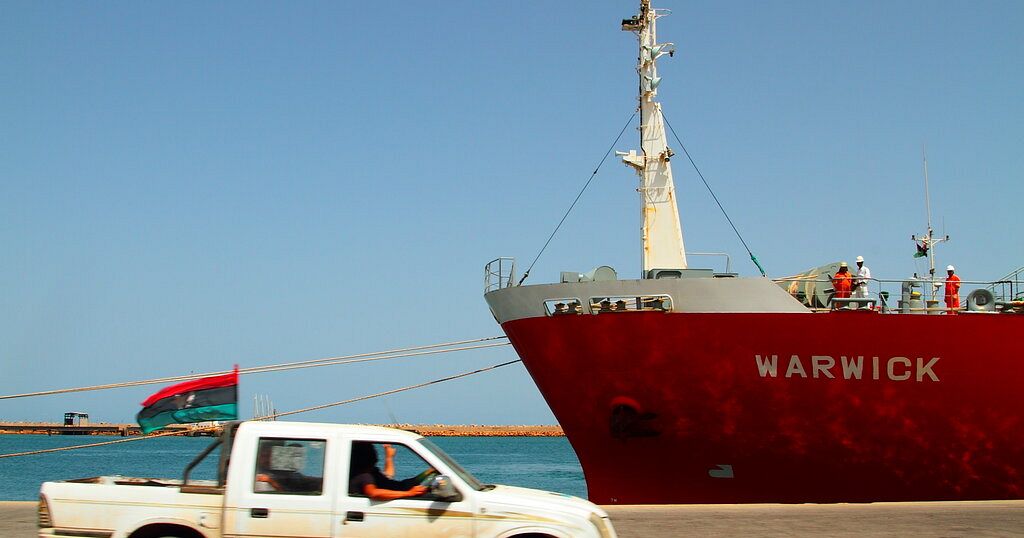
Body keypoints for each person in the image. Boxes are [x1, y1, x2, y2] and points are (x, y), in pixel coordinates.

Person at [349, 442, 435, 500]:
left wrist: (427, 473)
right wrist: (409, 493)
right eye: (373, 451)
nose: (376, 453)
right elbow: (373, 493)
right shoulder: (364, 476)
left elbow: (389, 477)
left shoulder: (371, 472)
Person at [254, 441, 323, 493]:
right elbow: (283, 494)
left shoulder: (283, 472)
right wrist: (271, 481)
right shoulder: (256, 473)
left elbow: (304, 480)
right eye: (265, 456)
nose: (268, 459)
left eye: (271, 456)